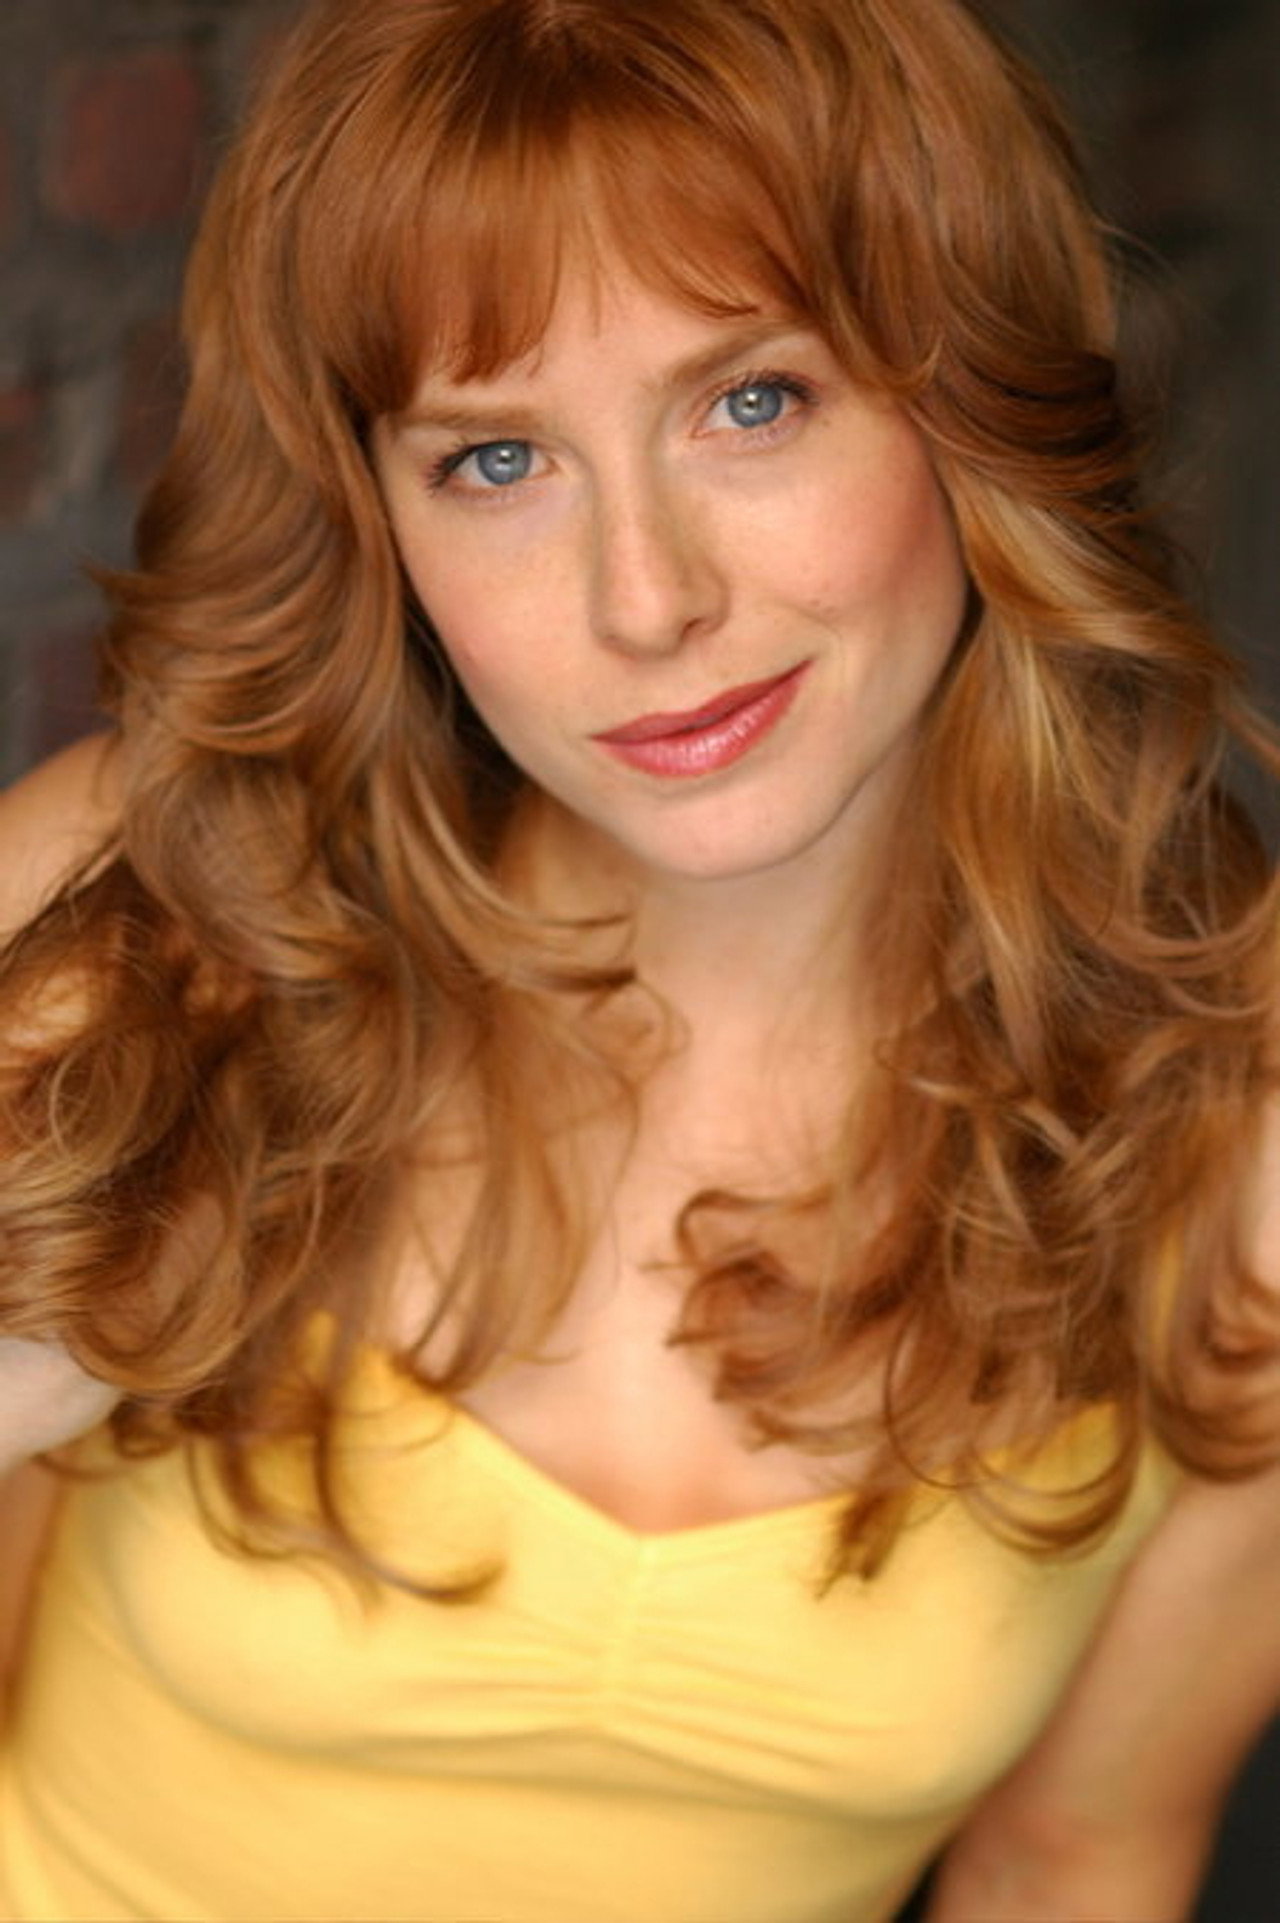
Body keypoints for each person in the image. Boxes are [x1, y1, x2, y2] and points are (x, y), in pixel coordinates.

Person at [0, 0, 1278, 1917]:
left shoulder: (1239, 1118)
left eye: (750, 402)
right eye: (497, 460)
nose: (646, 598)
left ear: (971, 395)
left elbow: (1076, 1855)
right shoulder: (144, 915)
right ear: (375, 518)